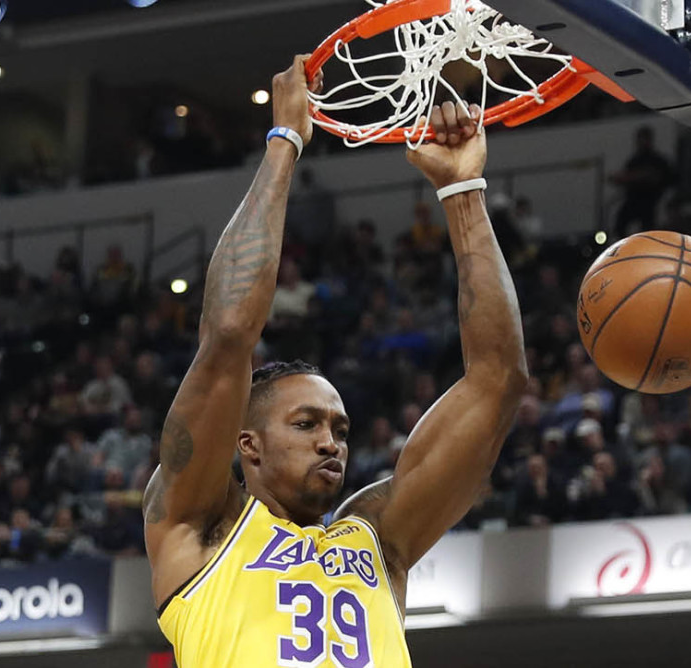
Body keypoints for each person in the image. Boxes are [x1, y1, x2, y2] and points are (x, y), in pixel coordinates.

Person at [142, 58, 526, 667]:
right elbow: (229, 335)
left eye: (340, 430)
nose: (331, 443)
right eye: (306, 424)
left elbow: (498, 382)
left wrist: (462, 192)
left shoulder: (377, 539)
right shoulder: (204, 526)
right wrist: (285, 141)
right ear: (248, 444)